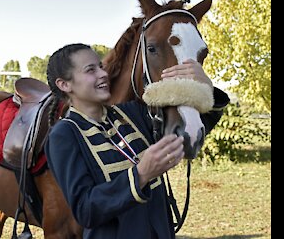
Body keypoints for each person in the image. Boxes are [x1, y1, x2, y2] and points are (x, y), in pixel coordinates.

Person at [44, 43, 229, 238]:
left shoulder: (131, 113)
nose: (103, 74)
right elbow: (85, 210)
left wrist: (206, 88)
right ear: (64, 84)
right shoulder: (63, 135)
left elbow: (187, 132)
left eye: (100, 66)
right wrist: (140, 175)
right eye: (91, 70)